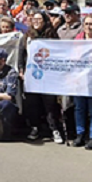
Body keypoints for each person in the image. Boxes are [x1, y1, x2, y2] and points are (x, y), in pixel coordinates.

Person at [19, 12, 63, 143]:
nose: (37, 21)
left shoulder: (52, 36)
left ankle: (54, 129)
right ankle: (35, 128)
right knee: (33, 104)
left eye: (40, 19)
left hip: (48, 76)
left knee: (49, 104)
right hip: (32, 75)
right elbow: (21, 55)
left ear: (45, 21)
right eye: (34, 19)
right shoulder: (27, 37)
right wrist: (21, 70)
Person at [73, 15, 92, 150]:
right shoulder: (77, 40)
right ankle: (80, 134)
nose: (89, 27)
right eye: (86, 24)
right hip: (80, 80)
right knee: (79, 108)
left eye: (91, 24)